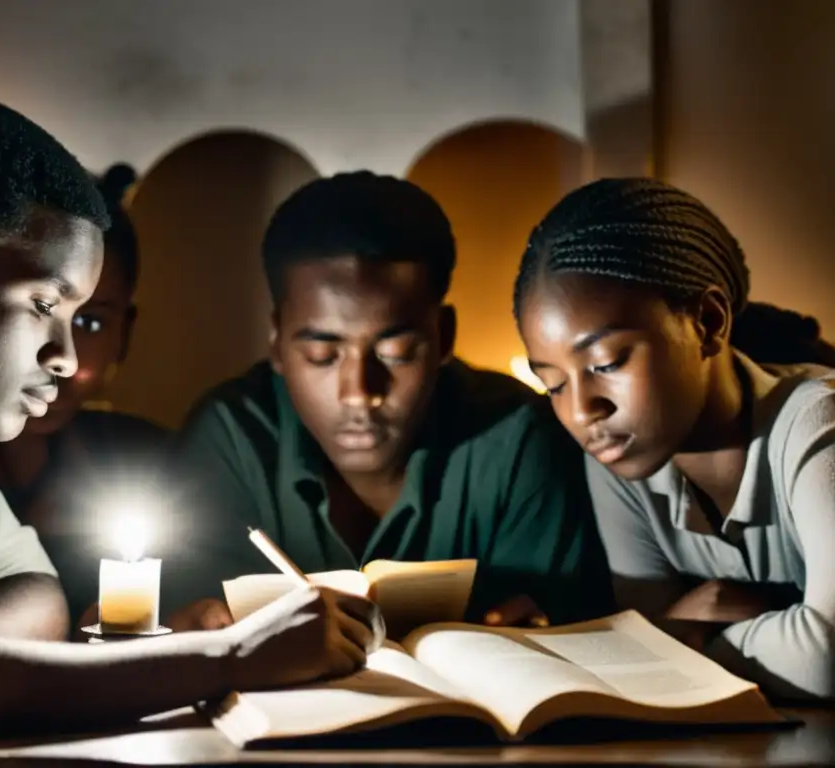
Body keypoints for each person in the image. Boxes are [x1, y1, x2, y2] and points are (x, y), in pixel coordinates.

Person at [0, 98, 380, 740]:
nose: (66, 358)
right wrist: (236, 653)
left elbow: (40, 601)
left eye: (82, 318)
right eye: (44, 304)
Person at [170, 171, 614, 629]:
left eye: (395, 353)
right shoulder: (232, 436)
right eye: (322, 355)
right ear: (278, 341)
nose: (360, 391)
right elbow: (183, 618)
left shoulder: (517, 438)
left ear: (444, 337)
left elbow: (570, 625)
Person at [513, 177, 835, 702]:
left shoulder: (818, 424)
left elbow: (827, 659)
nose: (581, 410)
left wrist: (684, 638)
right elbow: (650, 647)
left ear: (708, 322)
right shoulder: (620, 459)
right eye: (553, 384)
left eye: (606, 363)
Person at [0, 163, 174, 628]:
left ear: (124, 335)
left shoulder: (151, 463)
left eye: (90, 323)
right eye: (38, 307)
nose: (60, 355)